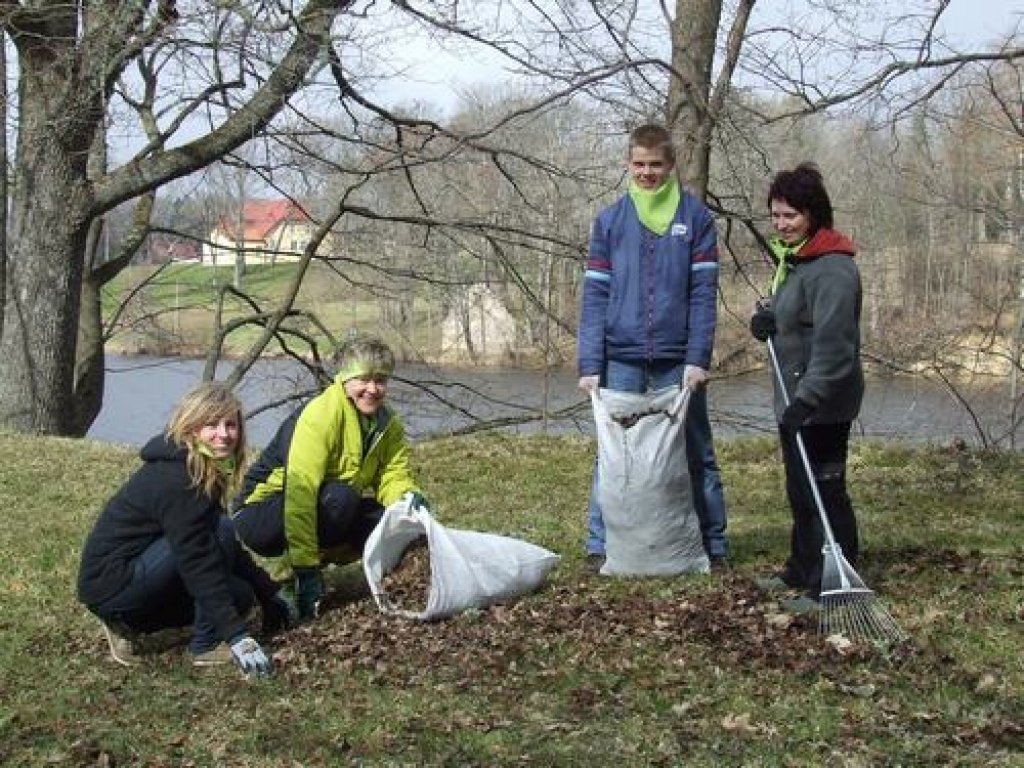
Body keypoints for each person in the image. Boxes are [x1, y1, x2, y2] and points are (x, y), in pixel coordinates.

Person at [577, 123, 728, 571]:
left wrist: (697, 358)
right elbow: (595, 296)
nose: (647, 173)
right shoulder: (609, 222)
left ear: (671, 165)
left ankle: (714, 545)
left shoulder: (696, 220)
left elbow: (703, 294)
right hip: (619, 360)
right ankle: (600, 545)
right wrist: (590, 363)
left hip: (677, 362)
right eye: (639, 165)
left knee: (697, 451)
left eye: (655, 165)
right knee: (613, 454)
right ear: (628, 164)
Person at [78, 382, 288, 676]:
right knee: (220, 532)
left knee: (239, 594)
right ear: (191, 428)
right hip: (114, 585)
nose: (223, 434)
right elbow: (198, 558)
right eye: (211, 424)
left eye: (230, 425)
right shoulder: (179, 478)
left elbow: (223, 551)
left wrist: (269, 593)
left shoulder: (203, 466)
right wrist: (236, 636)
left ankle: (130, 625)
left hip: (145, 571)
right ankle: (205, 645)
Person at [232, 336, 429, 620]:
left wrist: (407, 497)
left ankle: (317, 561)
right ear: (344, 379)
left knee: (386, 517)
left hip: (323, 502)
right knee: (342, 496)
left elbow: (392, 473)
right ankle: (298, 572)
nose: (372, 389)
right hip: (259, 514)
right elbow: (300, 494)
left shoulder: (388, 424)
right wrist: (305, 568)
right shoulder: (320, 416)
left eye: (381, 380)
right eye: (363, 379)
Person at [749, 162, 864, 614]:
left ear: (813, 213)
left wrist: (808, 400)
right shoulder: (797, 261)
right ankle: (800, 568)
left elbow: (836, 347)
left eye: (790, 215)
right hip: (794, 398)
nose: (780, 224)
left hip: (823, 404)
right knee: (800, 488)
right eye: (775, 215)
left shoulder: (833, 269)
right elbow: (797, 319)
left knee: (825, 490)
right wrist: (769, 321)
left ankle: (834, 585)